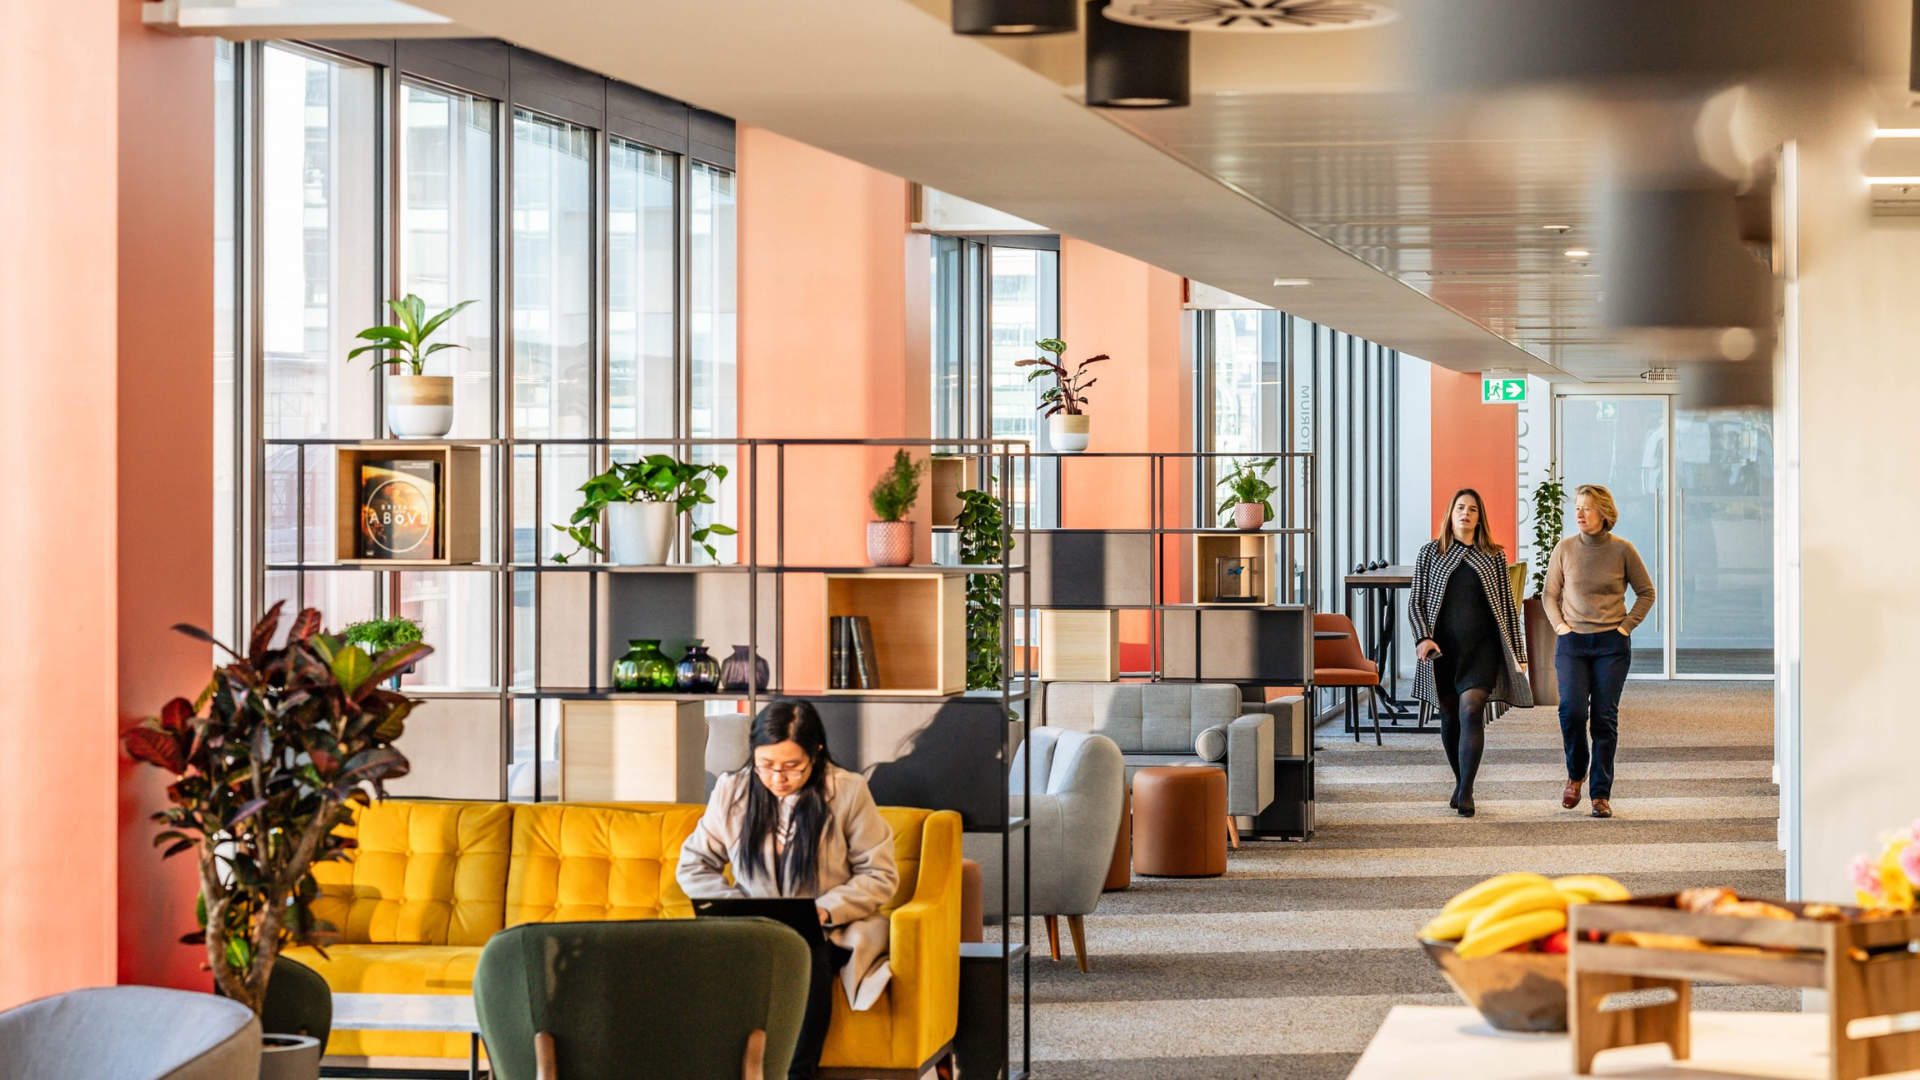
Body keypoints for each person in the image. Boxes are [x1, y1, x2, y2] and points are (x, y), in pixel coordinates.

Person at [677, 701, 899, 1080]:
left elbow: (880, 874)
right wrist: (736, 907)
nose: (777, 778)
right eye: (765, 765)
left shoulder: (847, 791)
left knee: (804, 951)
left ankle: (798, 1073)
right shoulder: (732, 790)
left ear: (816, 753)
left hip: (829, 927)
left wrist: (827, 909)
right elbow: (694, 864)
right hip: (750, 926)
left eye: (792, 766)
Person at [1408, 489, 1533, 818]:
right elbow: (1416, 602)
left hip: (1482, 649)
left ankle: (1466, 790)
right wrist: (1422, 638)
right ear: (1451, 514)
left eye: (1473, 509)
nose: (1466, 513)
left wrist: (1519, 653)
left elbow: (1508, 609)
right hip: (1442, 651)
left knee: (1471, 710)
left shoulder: (1493, 556)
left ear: (1480, 518)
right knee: (1449, 715)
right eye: (1460, 508)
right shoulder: (1430, 553)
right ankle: (1459, 779)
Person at [1542, 483, 1655, 819]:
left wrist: (1625, 627)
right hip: (1572, 644)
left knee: (1604, 719)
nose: (1579, 513)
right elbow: (1549, 595)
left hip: (1611, 646)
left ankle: (1600, 794)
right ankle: (1576, 774)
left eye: (1587, 508)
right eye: (1577, 507)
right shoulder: (1565, 548)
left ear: (1604, 513)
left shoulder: (1623, 550)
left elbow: (1646, 592)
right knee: (1572, 712)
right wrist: (1560, 626)